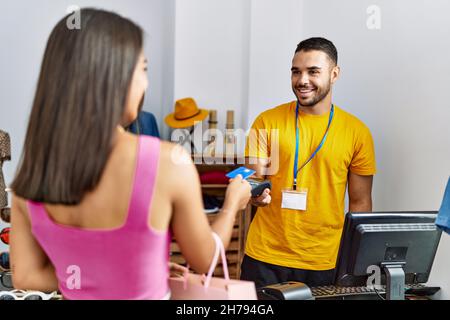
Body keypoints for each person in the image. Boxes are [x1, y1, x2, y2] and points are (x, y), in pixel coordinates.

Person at [9, 8, 251, 300]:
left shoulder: (31, 177)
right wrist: (232, 203)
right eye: (143, 69)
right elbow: (206, 259)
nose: (146, 83)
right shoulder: (166, 162)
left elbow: (26, 275)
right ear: (114, 78)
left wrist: (139, 269)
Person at [240, 37, 376, 288]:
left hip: (325, 260)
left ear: (334, 74)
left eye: (313, 71)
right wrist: (255, 194)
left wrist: (356, 261)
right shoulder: (266, 121)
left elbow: (360, 202)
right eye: (296, 71)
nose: (302, 80)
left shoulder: (357, 132)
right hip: (265, 256)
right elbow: (254, 179)